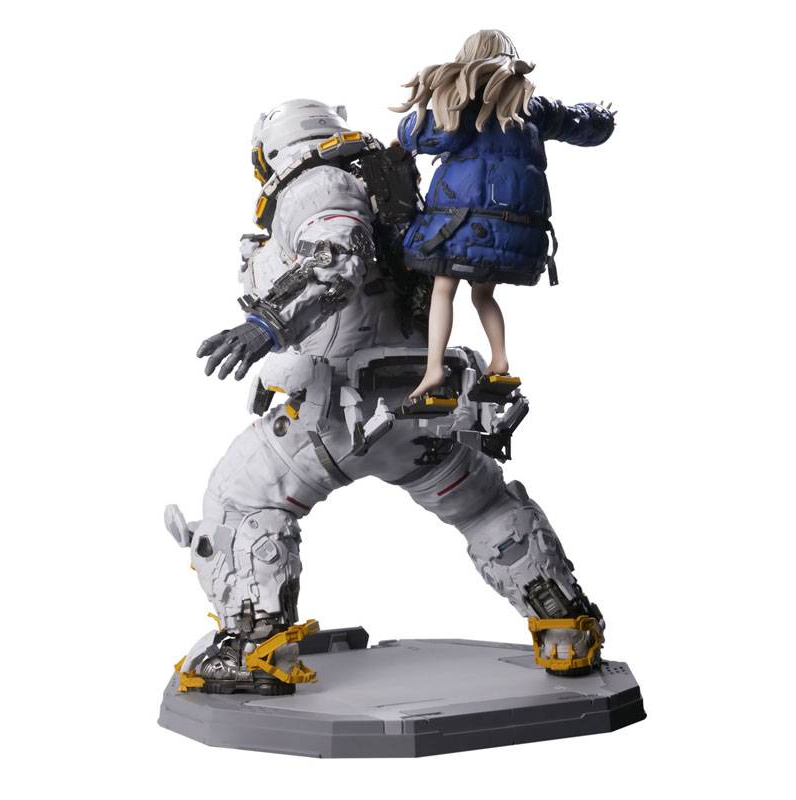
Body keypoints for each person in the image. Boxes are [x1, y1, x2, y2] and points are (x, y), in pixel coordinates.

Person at [166, 99, 605, 696]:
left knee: (240, 502)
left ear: (270, 152)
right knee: (484, 509)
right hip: (423, 411)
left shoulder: (317, 185)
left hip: (334, 419)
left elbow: (336, 258)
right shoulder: (386, 187)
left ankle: (253, 646)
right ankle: (566, 626)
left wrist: (266, 323)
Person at [392, 29, 616, 400]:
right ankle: (500, 360)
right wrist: (602, 117)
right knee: (483, 294)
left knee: (443, 288)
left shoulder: (459, 107)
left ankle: (434, 369)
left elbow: (427, 136)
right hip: (516, 234)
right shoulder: (531, 108)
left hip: (462, 225)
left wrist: (404, 133)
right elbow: (578, 122)